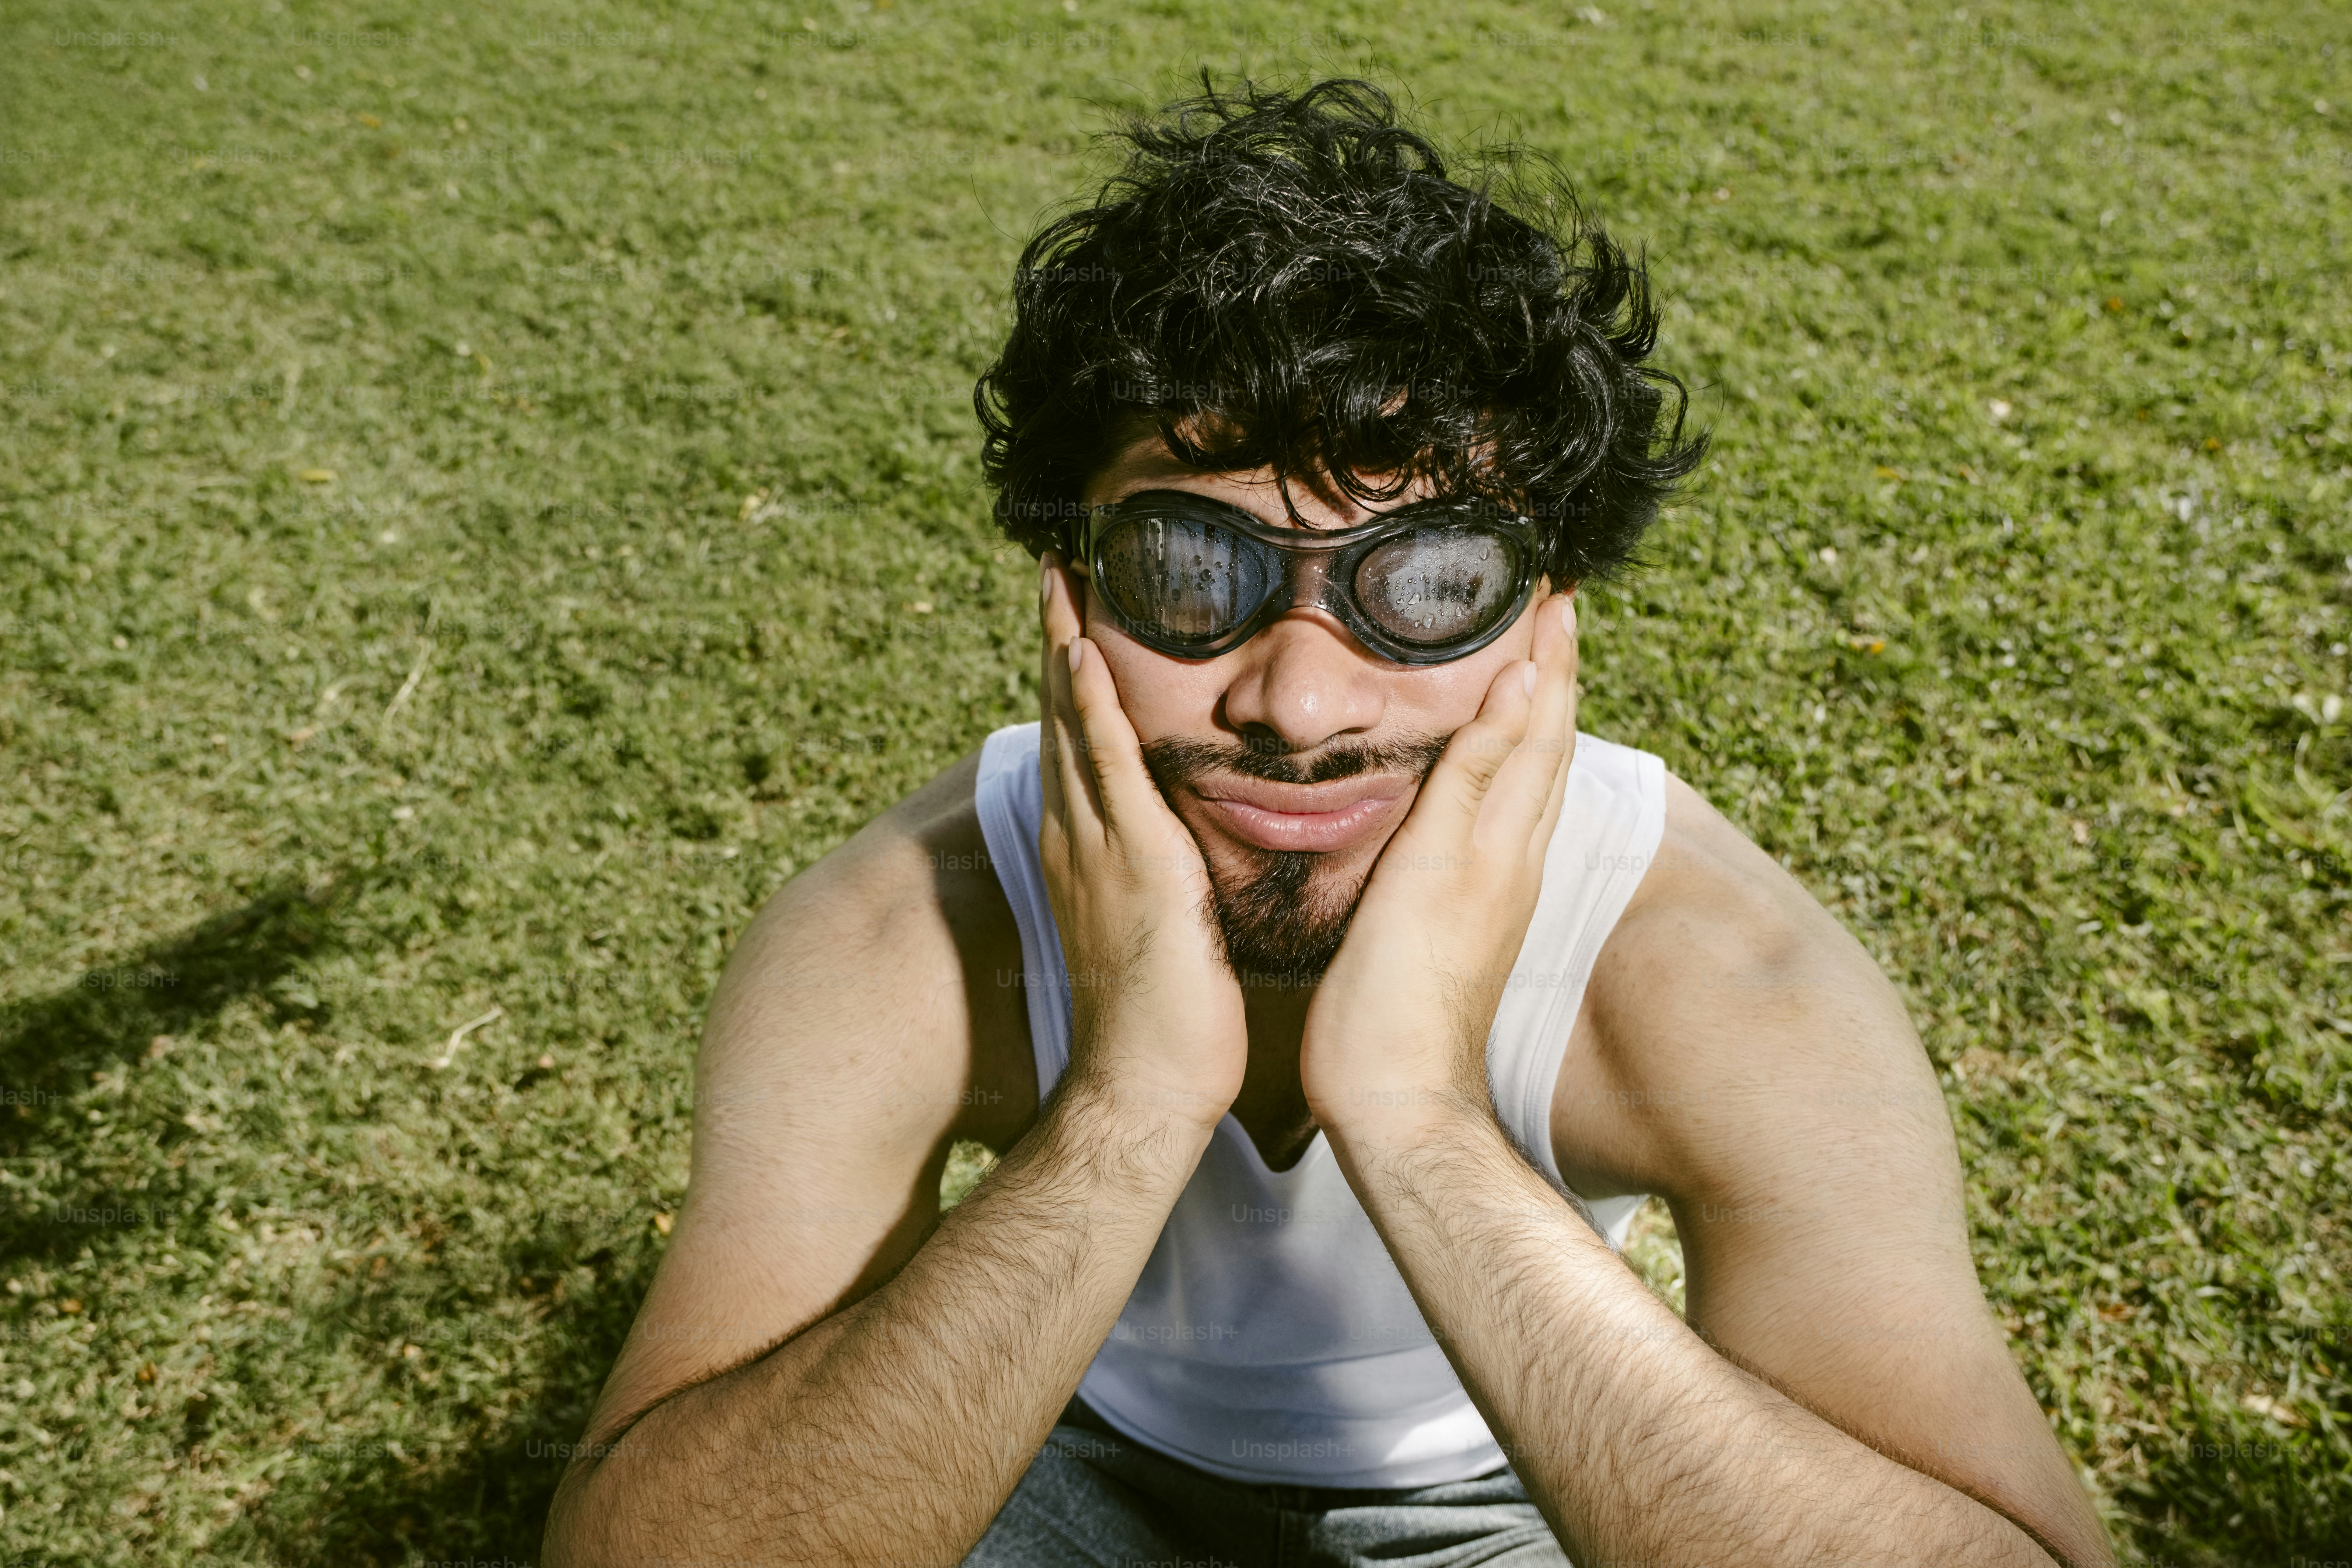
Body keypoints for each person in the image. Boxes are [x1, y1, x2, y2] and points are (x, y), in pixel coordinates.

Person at [542, 76, 2115, 1567]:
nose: (1297, 704)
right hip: (1034, 1450)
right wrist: (1128, 1107)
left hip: (1540, 1477)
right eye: (1185, 569)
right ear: (1069, 591)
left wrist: (1421, 1120)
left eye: (1425, 583)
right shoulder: (902, 928)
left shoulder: (1706, 969)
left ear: (1542, 623)